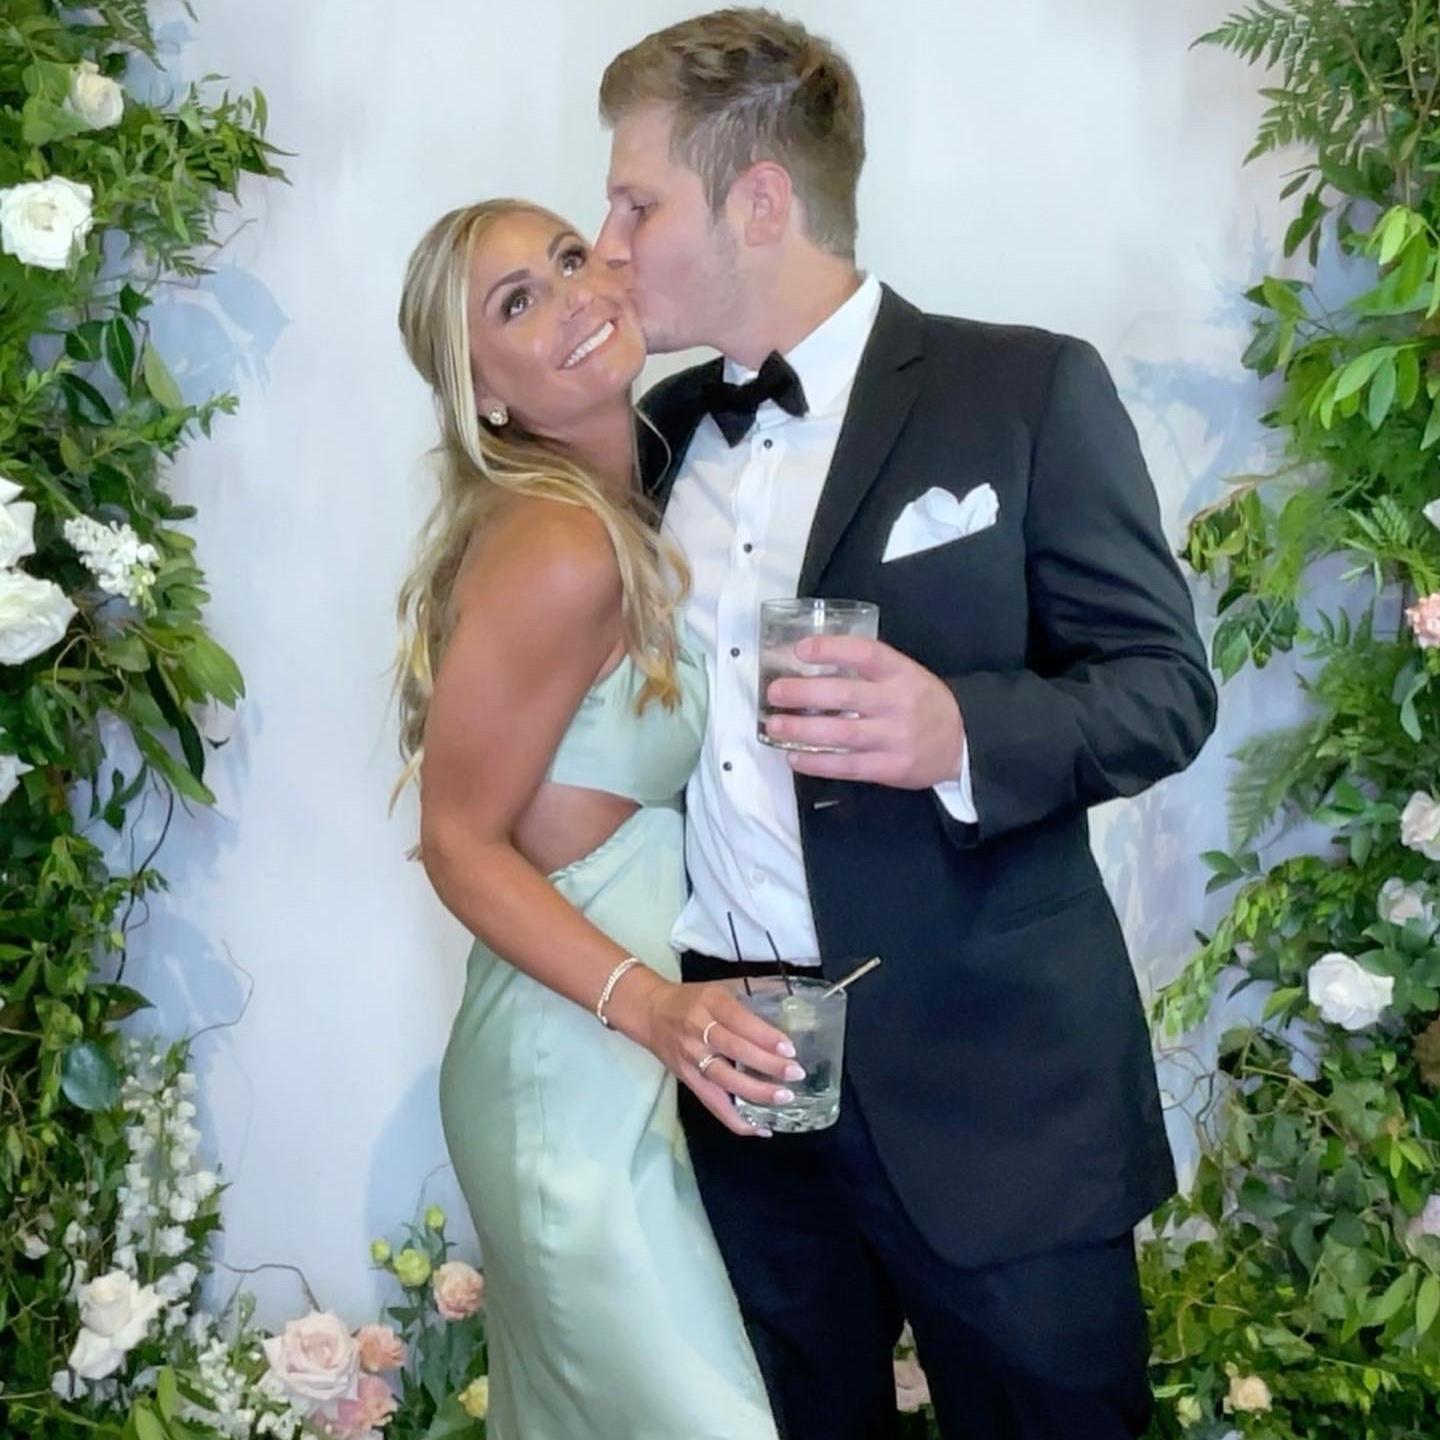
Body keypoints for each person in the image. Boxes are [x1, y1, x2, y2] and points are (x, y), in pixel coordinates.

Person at [593, 10, 1219, 1439]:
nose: (609, 242)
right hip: (742, 1079)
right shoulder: (656, 434)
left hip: (999, 1095)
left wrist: (961, 737)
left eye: (637, 203)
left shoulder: (1025, 389)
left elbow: (1164, 687)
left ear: (759, 200)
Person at [392, 198, 786, 1440]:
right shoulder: (563, 543)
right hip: (567, 1074)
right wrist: (655, 1006)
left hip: (617, 1060)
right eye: (517, 303)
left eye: (569, 259)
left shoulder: (618, 517)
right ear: (486, 401)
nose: (572, 297)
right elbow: (456, 841)